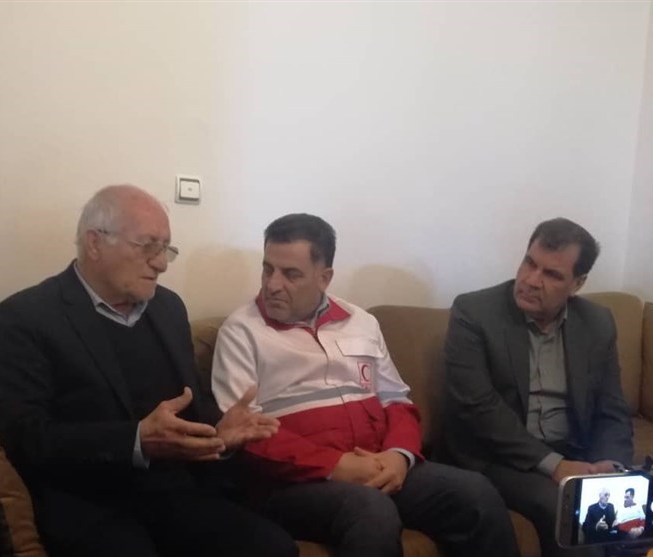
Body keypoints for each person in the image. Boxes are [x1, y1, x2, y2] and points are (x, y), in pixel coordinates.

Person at [0, 185, 298, 557]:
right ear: (95, 243)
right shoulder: (29, 316)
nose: (161, 263)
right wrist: (134, 440)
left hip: (175, 492)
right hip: (90, 500)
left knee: (274, 548)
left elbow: (190, 403)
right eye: (148, 246)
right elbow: (23, 435)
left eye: (166, 248)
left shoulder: (168, 308)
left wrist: (219, 433)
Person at [210, 213, 521, 557]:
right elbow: (244, 431)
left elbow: (397, 401)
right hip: (293, 484)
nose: (272, 284)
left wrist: (398, 456)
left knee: (475, 493)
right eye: (268, 269)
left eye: (290, 274)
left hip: (376, 462)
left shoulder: (361, 322)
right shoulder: (241, 332)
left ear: (324, 278)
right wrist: (334, 465)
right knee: (370, 510)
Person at [442, 217, 634, 557]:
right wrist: (554, 465)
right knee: (570, 514)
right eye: (530, 263)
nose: (531, 280)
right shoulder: (474, 313)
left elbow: (612, 409)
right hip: (499, 459)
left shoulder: (597, 322)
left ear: (577, 284)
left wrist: (610, 467)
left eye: (552, 274)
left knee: (636, 515)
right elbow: (478, 408)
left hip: (574, 452)